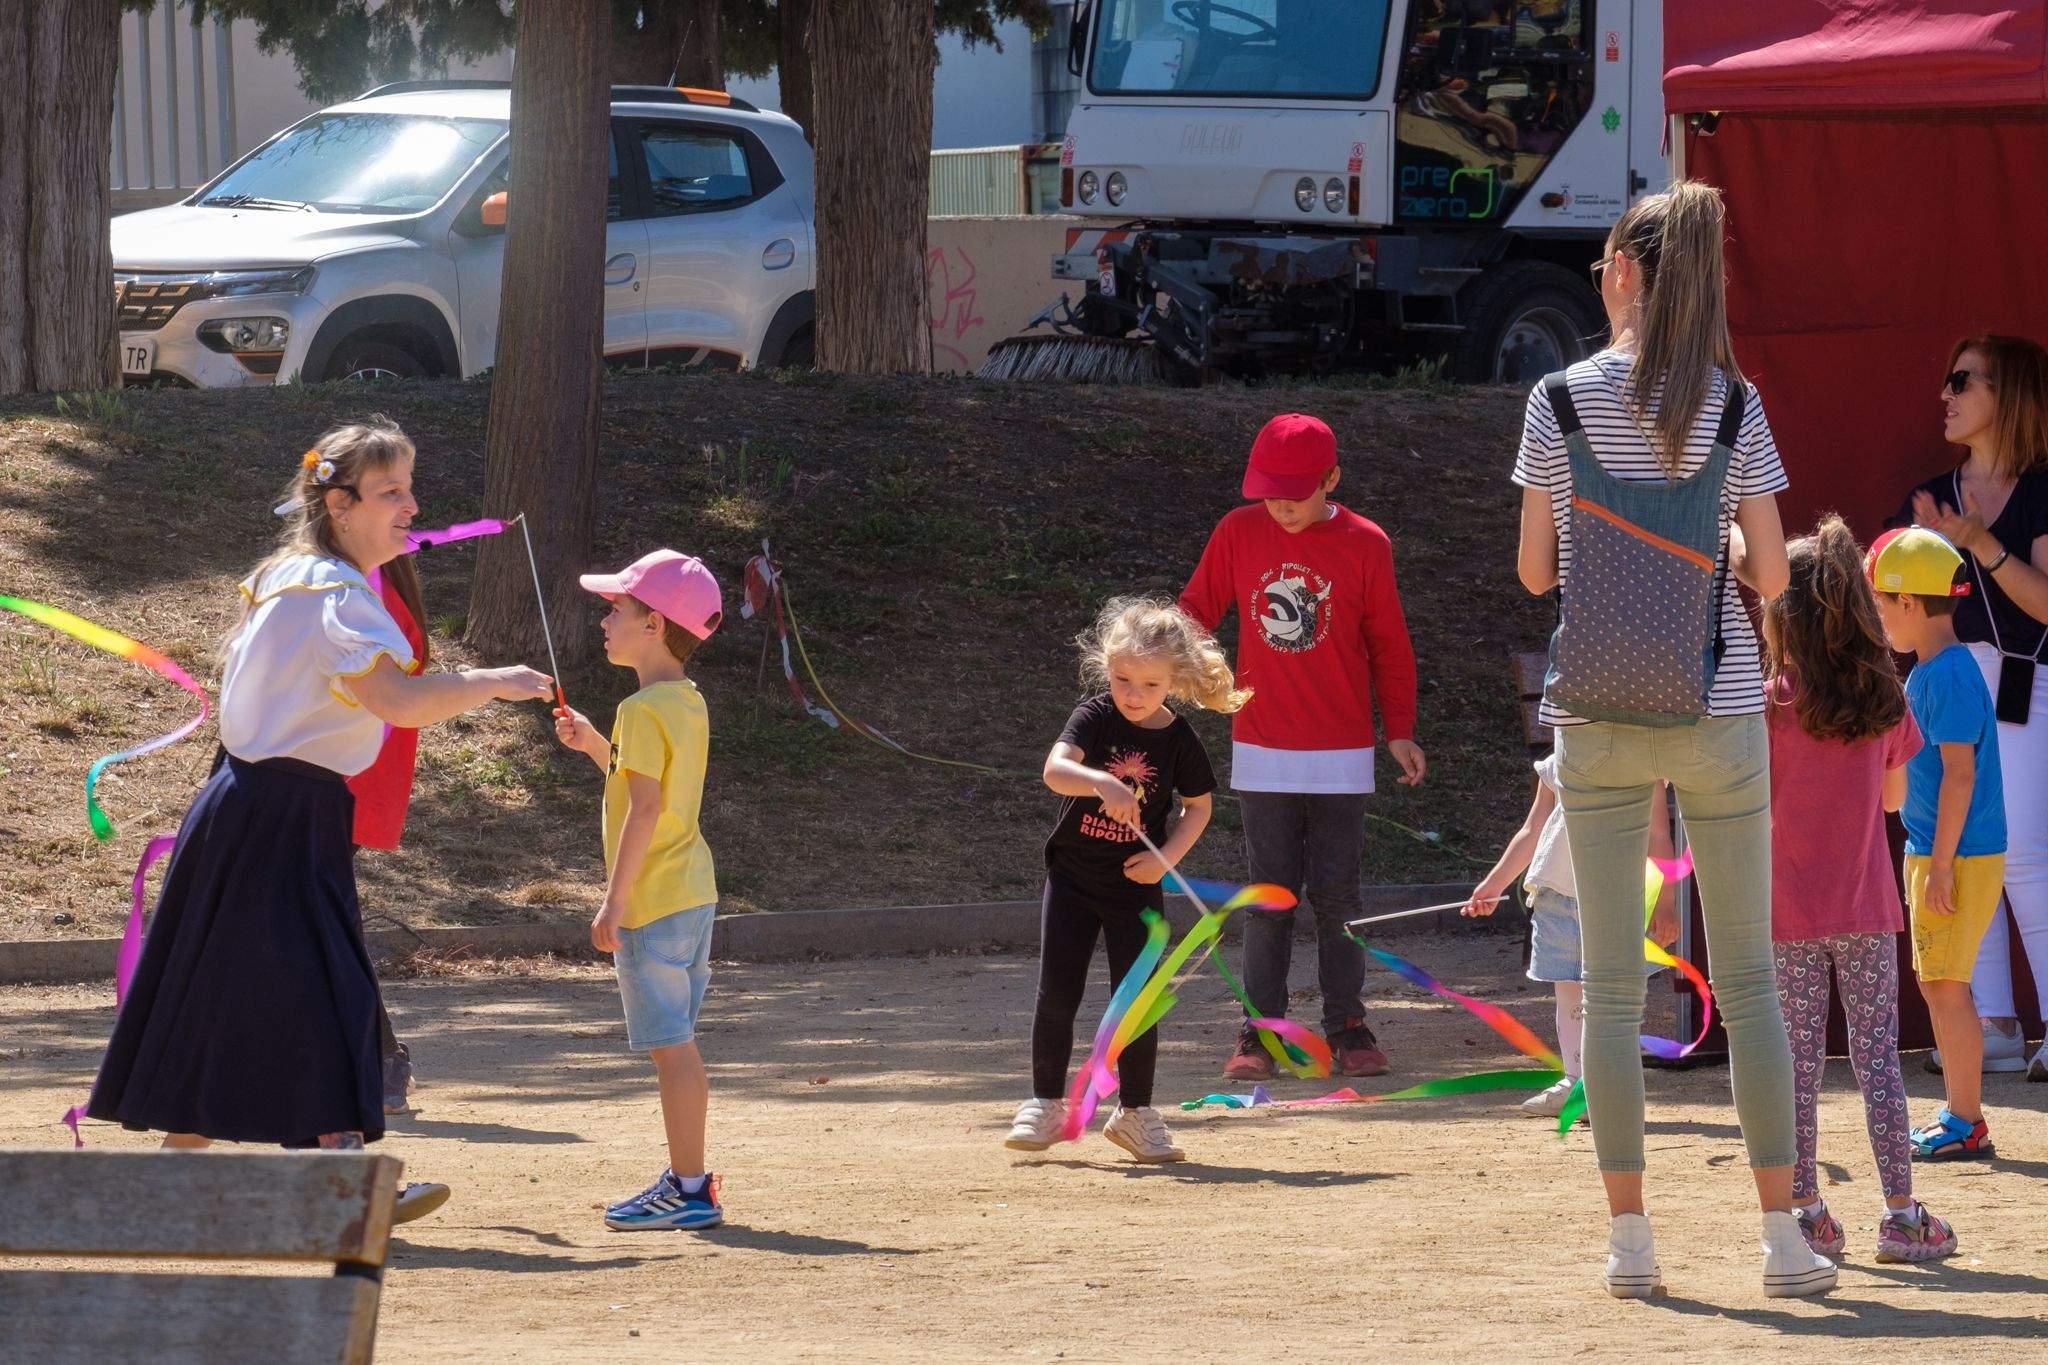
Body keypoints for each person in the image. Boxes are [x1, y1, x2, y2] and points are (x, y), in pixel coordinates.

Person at [85, 419, 552, 1227]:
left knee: (230, 994)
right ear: (340, 504)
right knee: (325, 988)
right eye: (391, 492)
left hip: (257, 808)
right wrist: (489, 680)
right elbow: (398, 702)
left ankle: (179, 1181)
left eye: (409, 488)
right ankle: (341, 1173)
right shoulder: (333, 594)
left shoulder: (297, 575)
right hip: (276, 814)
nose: (413, 506)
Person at [1512, 180, 1834, 1299]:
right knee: (1745, 985)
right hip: (1717, 705)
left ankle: (1630, 1242)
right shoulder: (1735, 407)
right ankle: (1780, 1240)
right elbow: (1770, 573)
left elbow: (1533, 573)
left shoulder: (1556, 399)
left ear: (1623, 274)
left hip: (1594, 711)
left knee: (1606, 985)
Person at [1179, 413, 1425, 1082]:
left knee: (1339, 898)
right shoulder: (1238, 530)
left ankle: (1347, 1023)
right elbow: (1195, 610)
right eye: (1271, 492)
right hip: (1263, 749)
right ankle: (1261, 1032)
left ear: (1333, 479)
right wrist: (1163, 663)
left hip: (1342, 753)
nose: (1282, 505)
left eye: (1297, 491)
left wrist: (1398, 729)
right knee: (1270, 897)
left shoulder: (1365, 542)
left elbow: (1389, 646)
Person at [1760, 517, 1957, 1262]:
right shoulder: (1885, 699)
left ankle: (1807, 1209)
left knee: (1797, 1067)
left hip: (1787, 910)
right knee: (1878, 1060)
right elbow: (1893, 802)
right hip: (1866, 904)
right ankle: (1903, 1216)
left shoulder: (1771, 701)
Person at [1005, 598, 1245, 1163]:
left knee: (1136, 999)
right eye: (1122, 679)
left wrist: (1165, 858)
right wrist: (1100, 783)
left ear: (1176, 682)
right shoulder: (1093, 716)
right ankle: (1046, 1104)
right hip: (1071, 879)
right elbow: (1054, 771)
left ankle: (1134, 1113)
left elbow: (1198, 809)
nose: (1133, 694)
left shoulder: (1181, 740)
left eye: (1150, 683)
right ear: (1105, 670)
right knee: (1057, 994)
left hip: (1135, 889)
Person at [553, 549, 726, 1230]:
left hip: (654, 902)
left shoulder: (641, 707)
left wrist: (614, 901)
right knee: (677, 1042)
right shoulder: (681, 701)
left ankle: (689, 1187)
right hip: (693, 892)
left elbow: (645, 810)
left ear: (653, 624)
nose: (605, 617)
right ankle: (689, 1181)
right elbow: (643, 784)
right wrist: (596, 742)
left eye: (616, 608)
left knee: (671, 1047)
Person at [1894, 336, 2048, 1079]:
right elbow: (1896, 602)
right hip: (1948, 684)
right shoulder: (1927, 494)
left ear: (2008, 394)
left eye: (1963, 380)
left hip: (2024, 682)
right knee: (1955, 847)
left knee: (2019, 852)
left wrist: (1975, 541)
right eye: (1945, 380)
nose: (1945, 395)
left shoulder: (2043, 490)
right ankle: (1991, 1024)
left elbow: (2047, 603)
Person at [1865, 527, 2008, 1161]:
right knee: (1939, 981)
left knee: (1945, 985)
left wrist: (1942, 867)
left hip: (1953, 857)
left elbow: (1960, 772)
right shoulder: (1937, 669)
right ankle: (1962, 1112)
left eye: (1880, 604)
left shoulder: (1945, 675)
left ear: (1910, 604)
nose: (1877, 617)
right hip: (1938, 853)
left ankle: (1966, 1119)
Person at [1462, 769, 1678, 1120]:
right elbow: (1532, 831)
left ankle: (1610, 1085)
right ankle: (1577, 1082)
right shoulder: (1557, 762)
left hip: (1621, 897)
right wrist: (1493, 884)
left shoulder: (1642, 763)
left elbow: (1658, 835)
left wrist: (1665, 903)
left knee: (1617, 995)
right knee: (1567, 988)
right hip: (1558, 895)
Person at [348, 558, 429, 1116]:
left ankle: (381, 1059)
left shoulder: (367, 597)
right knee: (322, 923)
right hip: (332, 781)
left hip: (340, 782)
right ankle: (377, 1059)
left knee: (324, 927)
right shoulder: (361, 589)